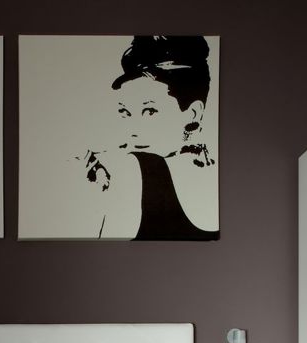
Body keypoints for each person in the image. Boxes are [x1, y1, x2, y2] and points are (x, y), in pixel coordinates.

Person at [80, 36, 218, 241]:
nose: (132, 130)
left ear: (193, 114)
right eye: (125, 112)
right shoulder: (215, 178)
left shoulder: (130, 169)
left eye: (150, 111)